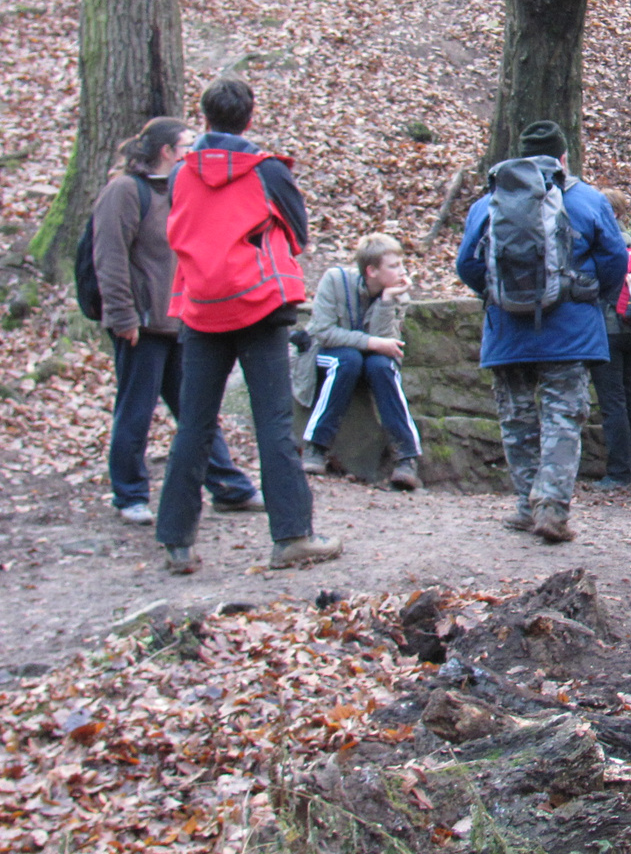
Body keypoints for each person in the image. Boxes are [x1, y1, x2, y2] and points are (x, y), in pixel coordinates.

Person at [154, 76, 342, 574]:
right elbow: (297, 232)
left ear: (204, 119)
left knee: (194, 424)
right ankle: (292, 536)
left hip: (200, 306)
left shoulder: (179, 174)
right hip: (260, 305)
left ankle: (177, 542)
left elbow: (178, 227)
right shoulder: (267, 171)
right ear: (250, 117)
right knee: (274, 424)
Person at [456, 121, 627, 543]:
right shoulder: (586, 199)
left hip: (507, 329)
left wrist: (498, 294)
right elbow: (615, 259)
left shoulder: (489, 202)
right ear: (563, 158)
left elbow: (466, 264)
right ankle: (550, 506)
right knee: (562, 415)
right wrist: (589, 297)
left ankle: (522, 504)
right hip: (569, 328)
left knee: (516, 417)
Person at [92, 117, 262, 526]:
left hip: (180, 323)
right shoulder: (124, 192)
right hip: (142, 326)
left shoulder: (183, 188)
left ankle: (229, 488)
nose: (194, 150)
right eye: (187, 144)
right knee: (135, 410)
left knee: (195, 411)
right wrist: (122, 316)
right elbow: (109, 256)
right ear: (167, 151)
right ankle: (129, 495)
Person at [292, 233, 424, 490]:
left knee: (382, 366)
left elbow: (386, 341)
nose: (402, 271)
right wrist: (371, 343)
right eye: (393, 266)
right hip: (329, 354)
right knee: (348, 360)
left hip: (371, 358)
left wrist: (387, 302)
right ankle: (316, 447)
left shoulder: (397, 295)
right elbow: (323, 332)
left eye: (401, 264)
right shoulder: (335, 280)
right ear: (371, 270)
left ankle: (407, 457)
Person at [592, 189, 631, 490]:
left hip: (609, 330)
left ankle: (618, 472)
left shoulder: (604, 244)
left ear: (611, 213)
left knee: (613, 402)